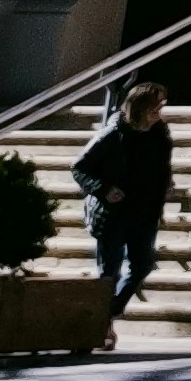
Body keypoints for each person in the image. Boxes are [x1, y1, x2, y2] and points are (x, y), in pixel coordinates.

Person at [75, 86, 176, 317]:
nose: (161, 109)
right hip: (113, 214)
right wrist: (103, 188)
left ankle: (108, 312)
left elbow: (162, 167)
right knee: (109, 272)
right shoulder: (113, 134)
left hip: (145, 212)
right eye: (156, 105)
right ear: (140, 107)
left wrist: (167, 184)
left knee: (143, 265)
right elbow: (79, 168)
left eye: (162, 104)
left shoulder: (160, 134)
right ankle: (102, 323)